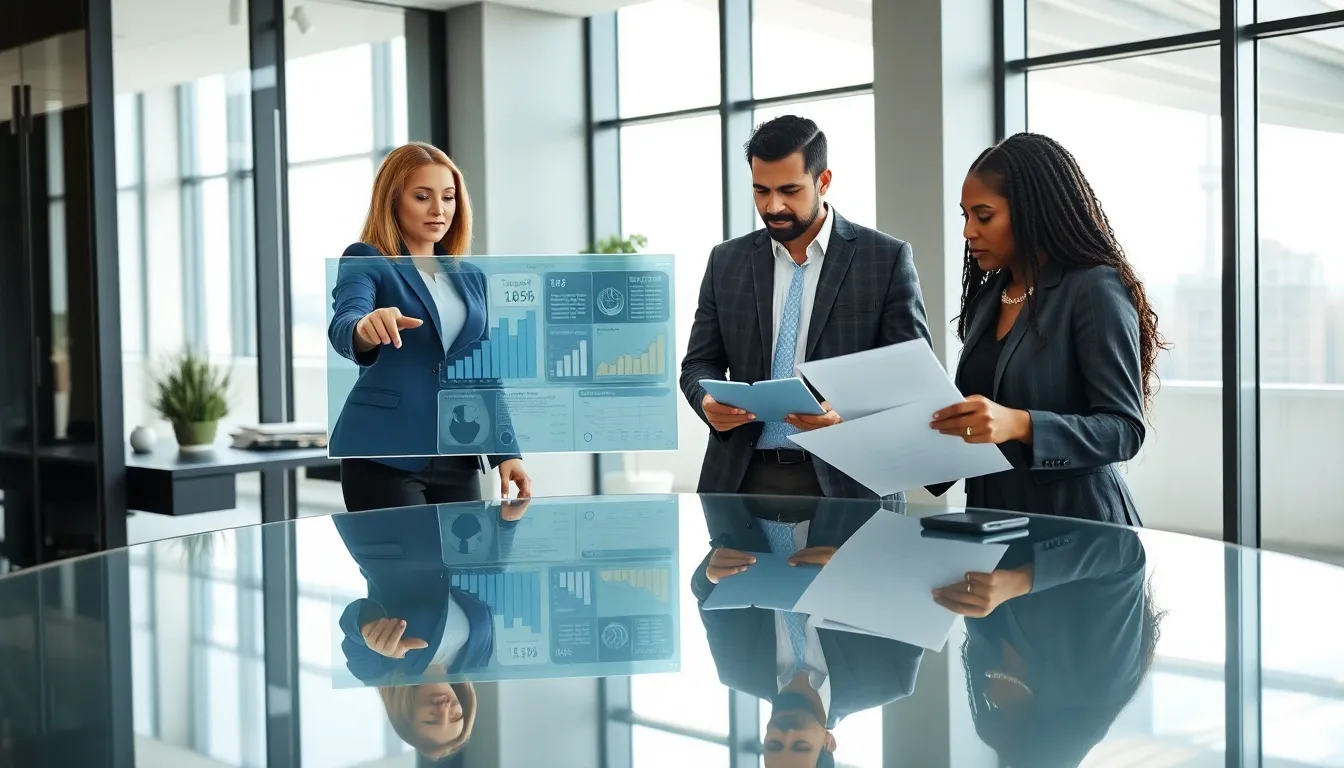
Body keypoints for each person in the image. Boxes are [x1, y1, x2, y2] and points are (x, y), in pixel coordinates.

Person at [681, 116, 932, 500]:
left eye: (789, 190)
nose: (773, 205)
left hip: (850, 480)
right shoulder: (725, 261)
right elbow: (698, 363)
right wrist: (707, 401)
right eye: (761, 190)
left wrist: (849, 409)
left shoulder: (885, 258)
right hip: (739, 481)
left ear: (823, 181)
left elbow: (910, 374)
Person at [928, 132, 1165, 525]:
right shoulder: (991, 298)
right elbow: (979, 423)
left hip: (1077, 530)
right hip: (993, 525)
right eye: (965, 216)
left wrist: (1019, 423)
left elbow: (1123, 429)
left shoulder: (1093, 287)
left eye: (984, 216)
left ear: (1030, 212)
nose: (969, 231)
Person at [327, 142, 532, 512]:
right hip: (383, 452)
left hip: (457, 452)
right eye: (422, 196)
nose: (439, 209)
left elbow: (484, 372)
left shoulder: (471, 279)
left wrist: (506, 452)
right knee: (400, 569)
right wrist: (366, 327)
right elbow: (345, 324)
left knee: (465, 569)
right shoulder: (366, 259)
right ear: (393, 200)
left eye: (449, 197)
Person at [692, 496, 924, 767]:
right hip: (850, 493)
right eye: (800, 746)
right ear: (828, 742)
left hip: (749, 491)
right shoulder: (887, 680)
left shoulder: (737, 670)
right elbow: (916, 587)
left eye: (775, 744)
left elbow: (706, 595)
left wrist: (710, 574)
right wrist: (852, 566)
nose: (786, 733)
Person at [930, 516, 1164, 767]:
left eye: (991, 708)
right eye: (1001, 710)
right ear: (1038, 727)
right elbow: (1123, 552)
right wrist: (1020, 582)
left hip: (990, 495)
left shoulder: (989, 657)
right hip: (1067, 493)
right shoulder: (1100, 684)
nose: (987, 695)